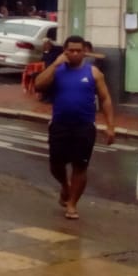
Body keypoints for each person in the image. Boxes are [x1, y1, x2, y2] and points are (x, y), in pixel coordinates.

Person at [34, 35, 116, 220]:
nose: (75, 54)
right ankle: (65, 185)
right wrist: (55, 64)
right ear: (65, 51)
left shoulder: (94, 73)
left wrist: (110, 126)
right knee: (56, 165)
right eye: (71, 50)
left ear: (84, 52)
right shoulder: (57, 70)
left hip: (84, 127)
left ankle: (72, 203)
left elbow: (105, 99)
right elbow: (38, 85)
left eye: (79, 50)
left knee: (80, 166)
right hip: (60, 125)